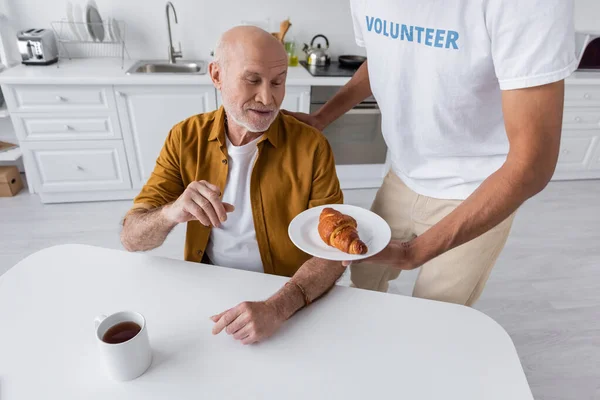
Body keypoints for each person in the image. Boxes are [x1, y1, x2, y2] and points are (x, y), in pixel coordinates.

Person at [285, 0, 577, 305]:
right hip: (401, 174)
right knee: (362, 283)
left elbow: (533, 164)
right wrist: (322, 117)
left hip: (475, 190)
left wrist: (415, 253)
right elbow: (384, 55)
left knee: (436, 311)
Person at [120, 26, 347, 345]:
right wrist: (171, 213)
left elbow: (334, 254)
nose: (268, 98)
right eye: (252, 80)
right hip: (212, 286)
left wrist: (277, 308)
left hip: (290, 291)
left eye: (278, 82)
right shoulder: (185, 138)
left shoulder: (312, 147)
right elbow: (132, 239)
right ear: (217, 75)